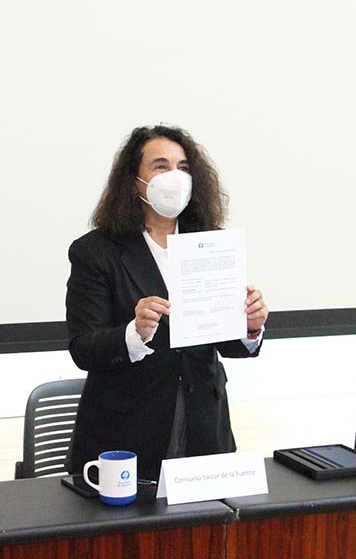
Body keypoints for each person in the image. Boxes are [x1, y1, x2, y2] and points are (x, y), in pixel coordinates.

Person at [65, 125, 269, 480]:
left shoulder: (211, 244)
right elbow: (84, 348)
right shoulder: (96, 252)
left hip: (204, 428)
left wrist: (250, 327)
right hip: (126, 432)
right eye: (160, 166)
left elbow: (227, 343)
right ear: (134, 181)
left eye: (184, 167)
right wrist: (134, 332)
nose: (175, 176)